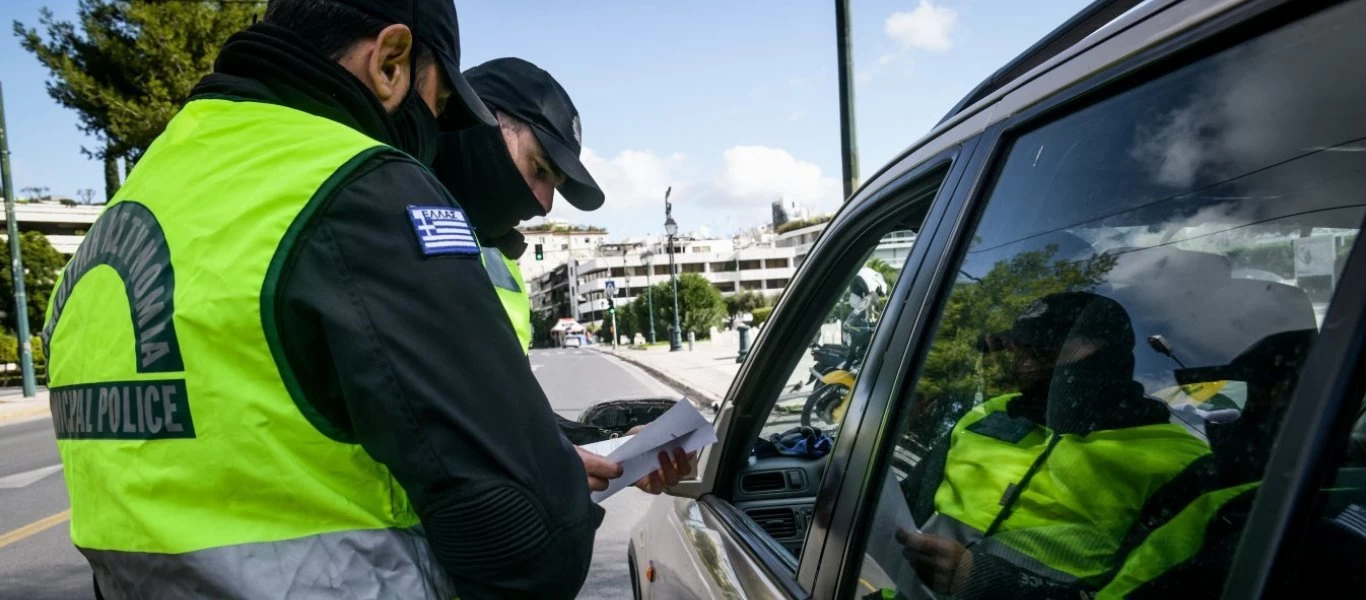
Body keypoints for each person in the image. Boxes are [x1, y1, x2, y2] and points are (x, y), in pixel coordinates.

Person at [42, 1, 599, 598]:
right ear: (390, 62)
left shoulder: (132, 205)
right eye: (438, 105)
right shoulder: (361, 188)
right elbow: (528, 540)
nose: (435, 132)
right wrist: (550, 490)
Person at [433, 57, 689, 494]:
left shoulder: (497, 260)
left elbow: (507, 416)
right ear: (480, 123)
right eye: (539, 169)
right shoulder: (394, 223)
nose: (545, 204)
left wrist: (613, 447)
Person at [897, 292, 1210, 597]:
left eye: (1042, 354)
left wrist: (985, 580)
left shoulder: (1183, 464)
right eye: (1019, 351)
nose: (1023, 367)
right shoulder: (989, 414)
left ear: (1104, 356)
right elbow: (900, 507)